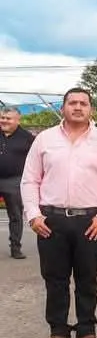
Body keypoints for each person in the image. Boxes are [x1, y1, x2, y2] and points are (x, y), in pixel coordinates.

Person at [21, 88, 97, 338]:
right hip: (51, 221)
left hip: (91, 221)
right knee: (55, 279)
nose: (77, 107)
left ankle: (86, 331)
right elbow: (30, 180)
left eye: (83, 103)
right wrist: (33, 214)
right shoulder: (44, 139)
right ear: (64, 106)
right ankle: (57, 332)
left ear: (90, 108)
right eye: (72, 103)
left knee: (87, 278)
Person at [0, 106, 35, 259]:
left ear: (17, 120)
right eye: (2, 117)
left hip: (14, 180)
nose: (4, 121)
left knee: (15, 215)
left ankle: (15, 247)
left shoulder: (27, 137)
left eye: (8, 118)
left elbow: (36, 160)